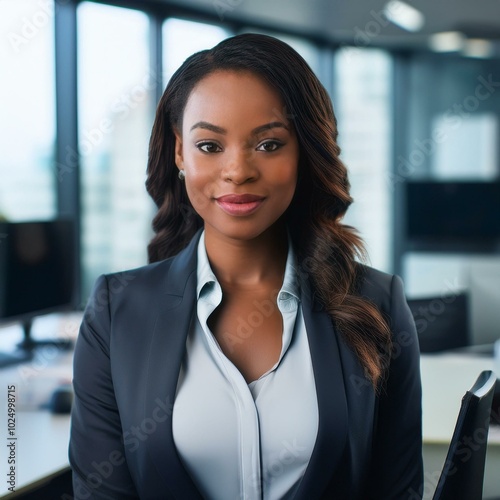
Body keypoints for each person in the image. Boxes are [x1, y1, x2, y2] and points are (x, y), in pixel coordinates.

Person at [69, 33, 423, 499]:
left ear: (304, 153)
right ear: (180, 152)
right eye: (210, 146)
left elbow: (396, 492)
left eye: (269, 145)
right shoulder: (117, 312)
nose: (238, 171)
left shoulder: (376, 304)